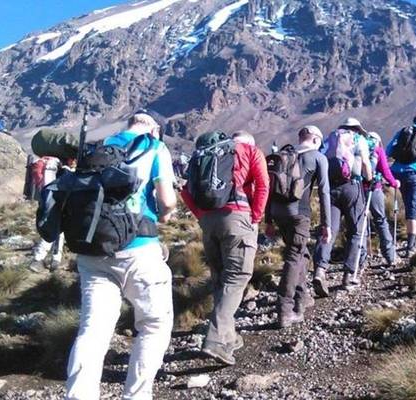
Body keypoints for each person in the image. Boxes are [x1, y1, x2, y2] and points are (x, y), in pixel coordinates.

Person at [65, 112, 178, 400]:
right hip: (138, 249)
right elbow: (167, 200)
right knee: (153, 325)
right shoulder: (154, 147)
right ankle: (136, 396)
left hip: (93, 252)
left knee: (92, 331)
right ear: (153, 127)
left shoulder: (97, 147)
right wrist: (165, 215)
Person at [180, 130, 269, 366]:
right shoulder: (251, 151)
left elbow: (185, 190)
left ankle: (229, 336)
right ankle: (216, 340)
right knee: (238, 276)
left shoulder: (204, 155)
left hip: (209, 221)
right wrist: (255, 218)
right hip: (238, 217)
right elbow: (262, 186)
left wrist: (201, 216)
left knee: (221, 277)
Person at [266, 126, 332, 328]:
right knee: (294, 257)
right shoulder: (318, 157)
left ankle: (302, 298)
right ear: (316, 140)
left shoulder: (284, 155)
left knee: (300, 253)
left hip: (278, 212)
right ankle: (285, 310)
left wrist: (268, 220)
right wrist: (327, 224)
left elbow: (270, 189)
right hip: (298, 214)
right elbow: (324, 192)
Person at [312, 118, 373, 294]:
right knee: (356, 231)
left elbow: (321, 158)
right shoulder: (359, 139)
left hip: (330, 188)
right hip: (352, 187)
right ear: (356, 128)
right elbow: (366, 165)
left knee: (328, 229)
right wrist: (369, 180)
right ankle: (348, 275)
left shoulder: (331, 137)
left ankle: (320, 271)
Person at [386, 110, 416, 258]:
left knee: (399, 204)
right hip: (415, 173)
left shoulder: (402, 131)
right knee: (412, 207)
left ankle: (388, 241)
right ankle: (410, 246)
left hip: (396, 172)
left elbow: (388, 150)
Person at [363, 132, 400, 267]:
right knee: (380, 220)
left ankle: (361, 259)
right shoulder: (378, 150)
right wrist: (394, 183)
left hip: (358, 190)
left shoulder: (358, 147)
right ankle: (390, 256)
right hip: (374, 189)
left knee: (360, 222)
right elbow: (385, 170)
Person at [29, 155, 64, 272]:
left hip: (44, 197)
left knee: (52, 226)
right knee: (57, 227)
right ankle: (45, 259)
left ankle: (48, 259)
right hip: (56, 198)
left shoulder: (46, 161)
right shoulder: (59, 164)